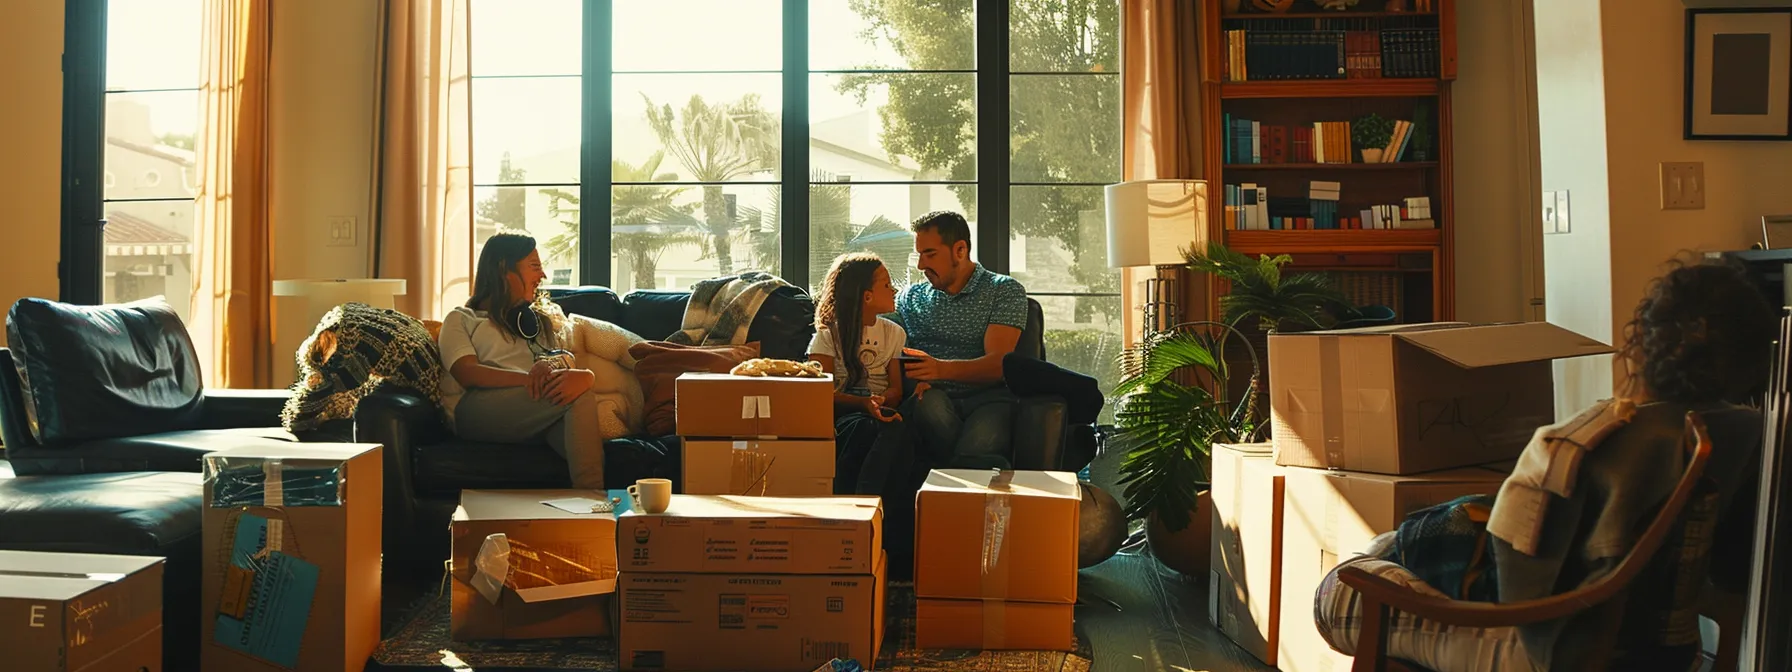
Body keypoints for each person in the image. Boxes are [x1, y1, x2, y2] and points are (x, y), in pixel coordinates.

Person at [1313, 260, 1775, 671]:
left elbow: (1517, 594)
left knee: (1340, 590)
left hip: (1555, 653)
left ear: (1644, 339)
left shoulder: (1582, 443)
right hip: (1667, 652)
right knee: (1388, 545)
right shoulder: (1757, 436)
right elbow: (1730, 574)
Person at [437, 232, 608, 488]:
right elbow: (467, 372)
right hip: (474, 408)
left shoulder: (536, 323)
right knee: (578, 397)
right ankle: (594, 503)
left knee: (585, 437)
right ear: (504, 269)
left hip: (531, 407)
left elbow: (559, 363)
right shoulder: (462, 319)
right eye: (534, 266)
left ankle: (588, 500)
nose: (543, 275)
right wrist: (529, 379)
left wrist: (584, 376)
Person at [894, 210, 1029, 469]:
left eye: (930, 254)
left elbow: (998, 366)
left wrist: (939, 369)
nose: (921, 265)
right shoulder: (910, 298)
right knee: (929, 406)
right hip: (932, 398)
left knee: (979, 441)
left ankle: (955, 471)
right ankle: (978, 469)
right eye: (919, 254)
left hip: (988, 399)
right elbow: (881, 337)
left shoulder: (1003, 291)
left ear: (960, 250)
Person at [808, 252, 918, 491]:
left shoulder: (895, 333)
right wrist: (863, 403)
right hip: (846, 414)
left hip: (882, 409)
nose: (894, 290)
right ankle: (869, 503)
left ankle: (862, 502)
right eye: (887, 285)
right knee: (870, 429)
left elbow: (896, 389)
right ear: (867, 296)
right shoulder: (827, 336)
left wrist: (879, 401)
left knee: (895, 427)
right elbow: (819, 393)